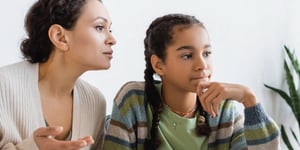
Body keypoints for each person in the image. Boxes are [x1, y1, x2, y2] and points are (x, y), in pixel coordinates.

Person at [103, 13, 280, 150]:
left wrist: (249, 98)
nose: (202, 65)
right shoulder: (134, 101)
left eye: (206, 53)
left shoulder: (225, 110)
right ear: (159, 65)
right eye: (187, 56)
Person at [0, 0, 116, 149]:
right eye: (99, 27)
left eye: (110, 29)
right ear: (59, 37)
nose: (112, 40)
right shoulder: (3, 86)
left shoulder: (95, 102)